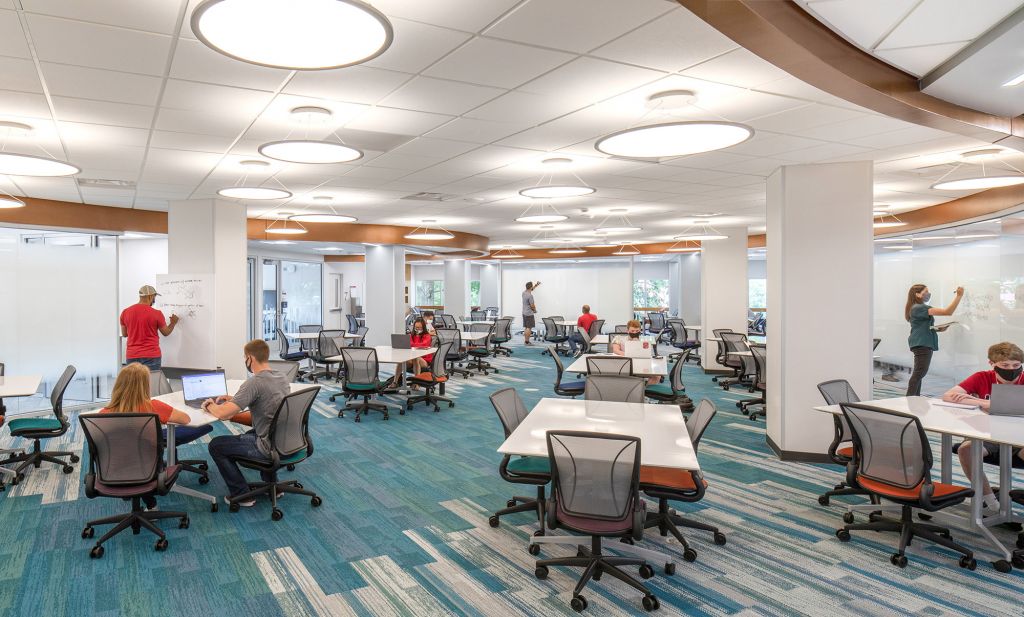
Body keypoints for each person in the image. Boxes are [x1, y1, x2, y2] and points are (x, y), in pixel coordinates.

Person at [100, 363, 212, 509]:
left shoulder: (103, 414)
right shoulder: (153, 406)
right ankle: (151, 502)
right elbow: (186, 419)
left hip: (114, 469)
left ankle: (149, 503)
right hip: (149, 468)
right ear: (144, 386)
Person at [203, 339, 291, 507]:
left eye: (245, 357)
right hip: (285, 440)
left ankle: (241, 495)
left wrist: (210, 405)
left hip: (267, 446)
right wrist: (236, 400)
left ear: (250, 358)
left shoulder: (254, 382)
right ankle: (274, 487)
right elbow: (267, 408)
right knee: (249, 434)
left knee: (216, 445)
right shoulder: (281, 377)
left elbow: (222, 414)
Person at [942, 341, 1024, 515]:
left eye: (1016, 365)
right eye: (1005, 365)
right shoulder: (982, 377)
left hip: (1019, 436)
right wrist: (984, 402)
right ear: (992, 364)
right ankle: (992, 504)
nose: (1012, 370)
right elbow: (949, 396)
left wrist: (988, 404)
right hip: (987, 432)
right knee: (966, 450)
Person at [905, 283, 964, 396]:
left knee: (919, 374)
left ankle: (914, 398)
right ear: (917, 294)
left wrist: (937, 329)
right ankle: (909, 399)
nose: (928, 294)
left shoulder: (915, 307)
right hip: (922, 344)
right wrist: (959, 296)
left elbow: (921, 327)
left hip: (920, 342)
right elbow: (948, 312)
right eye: (925, 292)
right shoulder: (920, 307)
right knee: (919, 373)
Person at [120, 284, 179, 371]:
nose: (154, 300)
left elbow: (125, 334)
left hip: (132, 355)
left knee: (135, 384)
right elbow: (166, 332)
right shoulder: (156, 313)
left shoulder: (125, 312)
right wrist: (173, 323)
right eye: (154, 297)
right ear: (151, 296)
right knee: (152, 383)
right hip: (151, 356)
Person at [611, 320, 658, 385]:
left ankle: (641, 388)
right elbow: (616, 350)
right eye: (632, 331)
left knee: (657, 376)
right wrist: (629, 354)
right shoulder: (619, 338)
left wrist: (637, 342)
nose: (635, 333)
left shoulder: (644, 340)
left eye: (637, 331)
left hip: (640, 363)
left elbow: (647, 353)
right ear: (627, 331)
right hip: (625, 363)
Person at [522, 281, 541, 345]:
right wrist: (534, 310)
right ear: (530, 287)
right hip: (529, 314)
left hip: (524, 313)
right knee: (529, 328)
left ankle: (525, 341)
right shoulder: (530, 296)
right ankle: (527, 342)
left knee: (526, 327)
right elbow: (532, 305)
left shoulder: (524, 293)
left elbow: (531, 289)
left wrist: (536, 285)